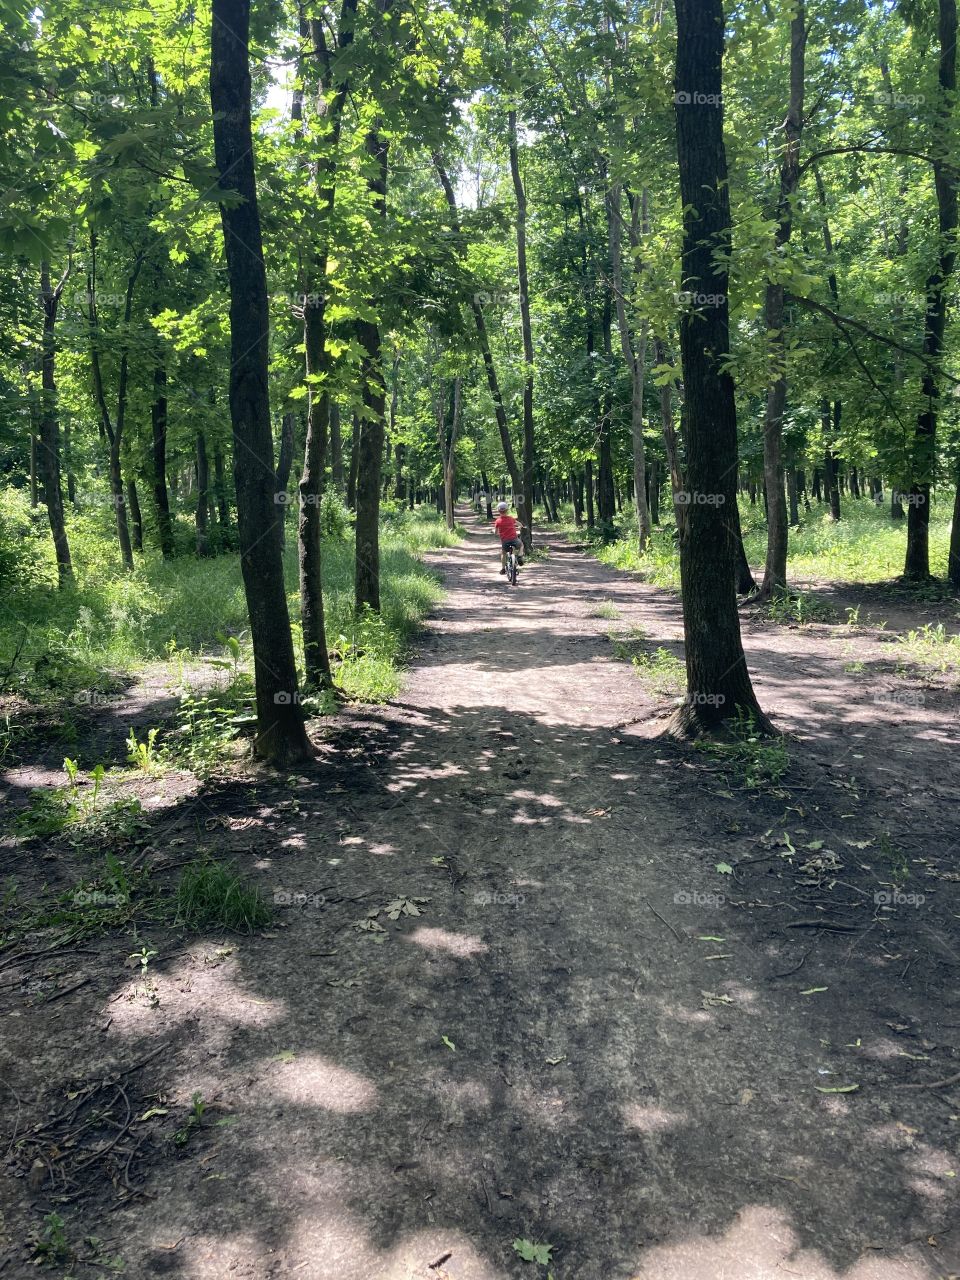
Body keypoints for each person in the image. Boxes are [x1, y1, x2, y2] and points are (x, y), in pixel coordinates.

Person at [493, 501, 523, 574]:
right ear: (507, 510)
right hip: (514, 539)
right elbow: (519, 524)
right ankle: (519, 556)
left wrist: (494, 531)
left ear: (498, 511)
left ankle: (503, 569)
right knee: (521, 545)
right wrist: (520, 527)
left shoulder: (498, 521)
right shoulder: (511, 519)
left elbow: (496, 533)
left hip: (505, 541)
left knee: (503, 553)